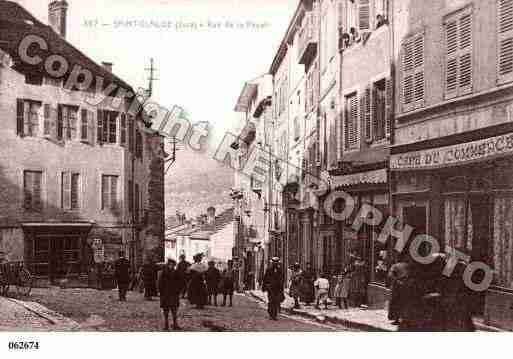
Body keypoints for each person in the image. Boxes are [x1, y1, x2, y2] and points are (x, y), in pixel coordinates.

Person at [158, 258, 184, 331]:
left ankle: (175, 324)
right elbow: (160, 283)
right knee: (166, 311)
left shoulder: (176, 273)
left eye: (173, 265)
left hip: (174, 294)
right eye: (170, 265)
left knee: (174, 311)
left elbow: (180, 282)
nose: (172, 266)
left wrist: (179, 291)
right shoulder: (163, 273)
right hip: (165, 294)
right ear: (168, 265)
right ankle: (166, 325)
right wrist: (160, 292)